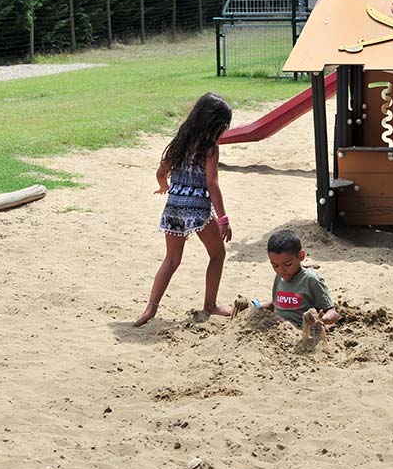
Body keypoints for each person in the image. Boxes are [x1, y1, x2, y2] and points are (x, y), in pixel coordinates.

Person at [134, 93, 234, 327]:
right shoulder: (210, 148)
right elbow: (212, 183)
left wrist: (164, 186)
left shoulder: (180, 140)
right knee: (217, 254)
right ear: (215, 124)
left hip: (174, 207)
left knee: (171, 260)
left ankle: (150, 308)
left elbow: (161, 170)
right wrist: (223, 218)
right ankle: (210, 304)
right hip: (198, 208)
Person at [258, 229, 338, 328]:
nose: (281, 270)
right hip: (278, 328)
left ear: (301, 256)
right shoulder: (279, 278)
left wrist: (323, 319)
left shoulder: (310, 280)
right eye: (275, 266)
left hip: (301, 331)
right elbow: (277, 304)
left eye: (288, 264)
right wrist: (257, 305)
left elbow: (332, 312)